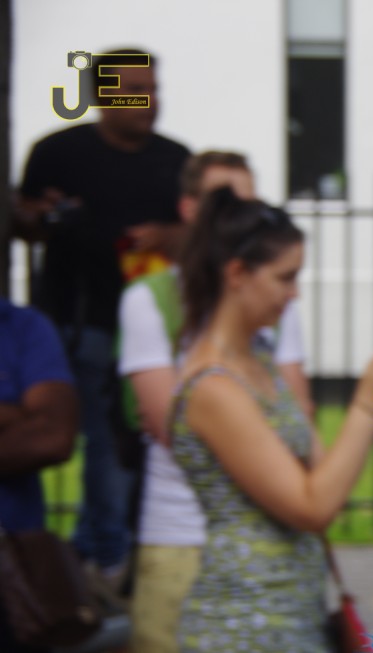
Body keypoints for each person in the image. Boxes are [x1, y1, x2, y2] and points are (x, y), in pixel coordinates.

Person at [170, 188, 373, 652]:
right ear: (237, 274)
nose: (294, 293)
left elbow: (323, 478)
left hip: (291, 614)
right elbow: (311, 506)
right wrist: (365, 403)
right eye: (284, 277)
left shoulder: (258, 358)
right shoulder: (212, 387)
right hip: (242, 626)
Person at [118, 150, 315, 653]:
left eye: (251, 203)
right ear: (189, 210)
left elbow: (301, 419)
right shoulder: (151, 299)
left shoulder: (274, 299)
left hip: (276, 545)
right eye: (225, 203)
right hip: (180, 535)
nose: (244, 217)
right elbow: (170, 424)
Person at [16, 48, 191, 583]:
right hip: (78, 321)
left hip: (155, 329)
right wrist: (41, 215)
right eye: (136, 91)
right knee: (100, 441)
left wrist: (170, 237)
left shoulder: (176, 160)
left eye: (154, 88)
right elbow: (22, 222)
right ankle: (107, 558)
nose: (151, 101)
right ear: (102, 97)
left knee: (127, 443)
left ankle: (97, 554)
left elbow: (202, 232)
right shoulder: (57, 153)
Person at [0, 297, 79, 652]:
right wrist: (13, 414)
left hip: (13, 576)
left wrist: (34, 422)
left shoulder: (23, 327)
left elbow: (53, 436)